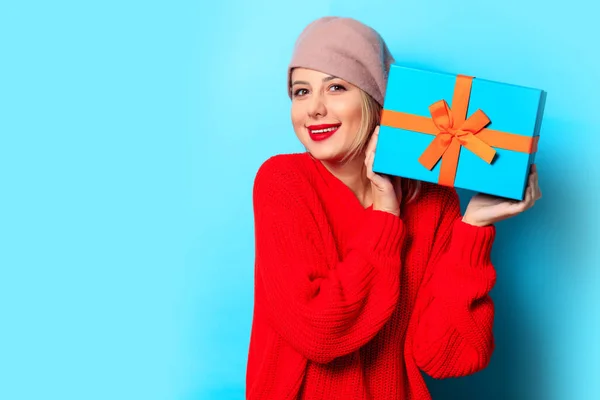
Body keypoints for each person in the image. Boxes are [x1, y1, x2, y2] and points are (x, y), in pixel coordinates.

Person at [245, 16, 541, 400]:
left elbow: (446, 357)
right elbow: (320, 333)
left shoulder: (432, 201)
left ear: (374, 99)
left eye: (336, 87)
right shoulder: (282, 181)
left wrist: (473, 228)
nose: (314, 109)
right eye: (301, 91)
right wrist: (385, 216)